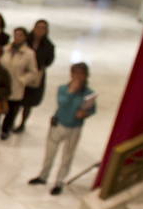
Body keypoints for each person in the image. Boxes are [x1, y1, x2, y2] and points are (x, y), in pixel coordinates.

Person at [29, 63, 96, 195]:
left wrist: (85, 114)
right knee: (50, 153)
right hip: (59, 124)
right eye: (75, 73)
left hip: (75, 128)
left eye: (80, 74)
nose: (77, 77)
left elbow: (92, 109)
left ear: (86, 76)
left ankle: (59, 182)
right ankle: (43, 176)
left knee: (67, 156)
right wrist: (72, 91)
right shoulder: (63, 89)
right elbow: (62, 103)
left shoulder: (89, 94)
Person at [0, 28, 40, 141]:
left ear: (25, 37)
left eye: (20, 35)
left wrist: (22, 80)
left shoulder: (29, 53)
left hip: (16, 85)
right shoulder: (5, 49)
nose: (17, 37)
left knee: (12, 110)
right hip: (2, 84)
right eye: (16, 35)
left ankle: (5, 129)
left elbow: (33, 72)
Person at [16, 19, 55, 133]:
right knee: (16, 99)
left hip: (36, 76)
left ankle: (22, 123)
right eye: (38, 27)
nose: (40, 30)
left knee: (28, 102)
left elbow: (48, 61)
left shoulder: (49, 46)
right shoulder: (26, 40)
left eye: (43, 28)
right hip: (21, 72)